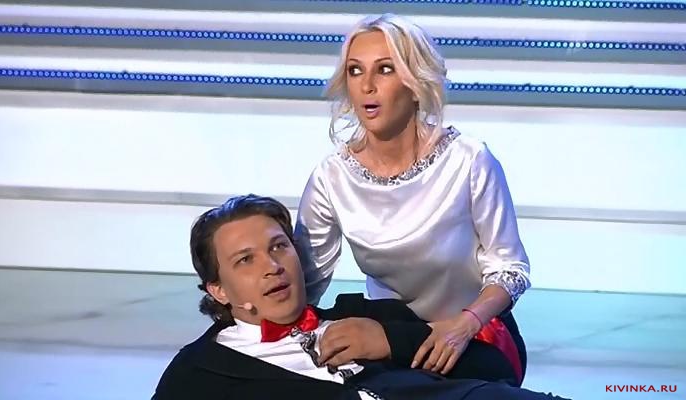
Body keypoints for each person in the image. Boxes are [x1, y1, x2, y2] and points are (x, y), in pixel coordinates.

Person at [295, 14, 530, 386]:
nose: (366, 86)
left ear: (415, 83)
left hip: (474, 337)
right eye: (355, 71)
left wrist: (464, 325)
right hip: (390, 339)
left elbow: (511, 269)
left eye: (385, 69)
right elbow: (305, 283)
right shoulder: (331, 178)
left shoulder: (468, 160)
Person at [152, 194, 569, 400]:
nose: (272, 266)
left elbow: (495, 369)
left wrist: (391, 342)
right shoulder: (198, 372)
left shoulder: (362, 314)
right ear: (219, 289)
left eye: (279, 247)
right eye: (246, 260)